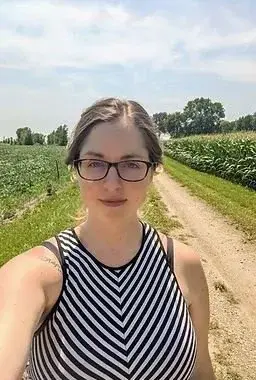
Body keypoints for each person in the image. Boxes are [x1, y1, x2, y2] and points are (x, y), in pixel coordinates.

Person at [0, 98, 215, 380]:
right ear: (74, 169)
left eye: (132, 164)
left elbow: (201, 370)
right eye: (94, 163)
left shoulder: (183, 265)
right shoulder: (34, 274)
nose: (112, 184)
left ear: (153, 170)